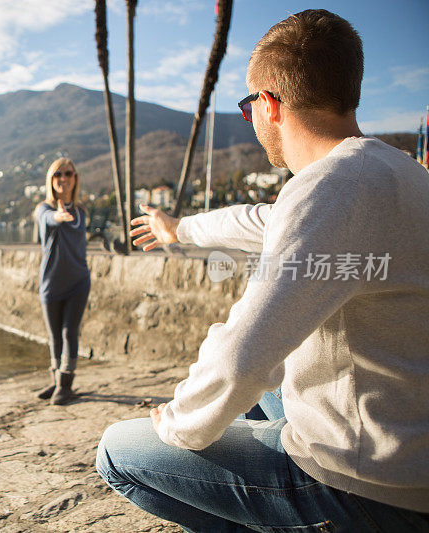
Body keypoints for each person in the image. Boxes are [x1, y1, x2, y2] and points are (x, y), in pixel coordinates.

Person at [96, 9, 429, 532]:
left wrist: (178, 423)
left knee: (117, 452)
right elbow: (262, 221)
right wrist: (180, 229)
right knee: (270, 395)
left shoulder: (330, 187)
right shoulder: (400, 175)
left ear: (268, 105)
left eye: (249, 107)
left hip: (365, 486)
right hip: (410, 451)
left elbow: (242, 354)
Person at [34, 157, 90, 405]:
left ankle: (65, 384)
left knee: (69, 332)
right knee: (54, 335)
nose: (63, 178)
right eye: (58, 174)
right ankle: (56, 379)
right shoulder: (44, 209)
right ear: (51, 179)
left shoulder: (81, 213)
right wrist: (58, 216)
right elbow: (49, 220)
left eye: (68, 173)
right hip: (51, 283)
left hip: (79, 282)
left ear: (75, 178)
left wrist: (66, 215)